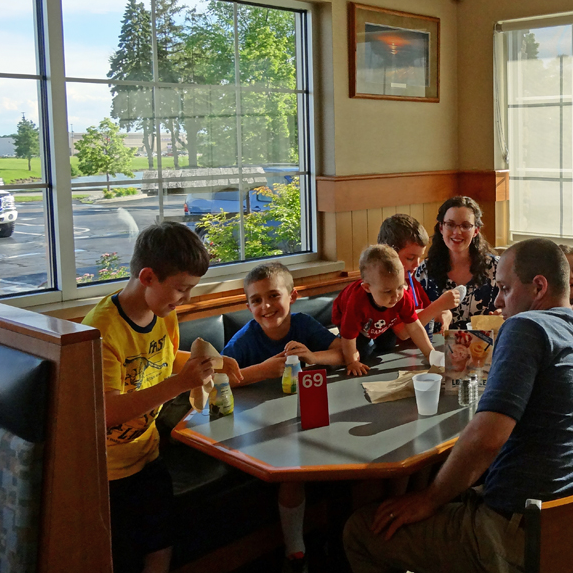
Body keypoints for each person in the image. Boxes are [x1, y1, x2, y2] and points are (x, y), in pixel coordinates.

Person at [343, 238, 573, 573]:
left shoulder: (525, 325)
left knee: (360, 530)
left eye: (504, 288)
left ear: (539, 287)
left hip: (526, 539)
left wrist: (428, 499)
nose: (499, 301)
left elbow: (487, 438)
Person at [82, 222, 243, 573]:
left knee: (161, 541)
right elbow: (106, 410)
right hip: (108, 472)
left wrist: (210, 360)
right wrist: (179, 384)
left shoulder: (162, 314)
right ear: (148, 277)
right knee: (122, 555)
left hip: (148, 454)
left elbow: (166, 360)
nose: (185, 299)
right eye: (181, 289)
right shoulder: (103, 331)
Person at [222, 262, 343, 573]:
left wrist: (314, 357)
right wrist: (262, 370)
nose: (266, 306)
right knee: (291, 467)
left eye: (274, 296)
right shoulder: (245, 341)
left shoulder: (303, 326)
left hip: (308, 414)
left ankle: (343, 536)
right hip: (261, 426)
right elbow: (218, 380)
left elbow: (343, 352)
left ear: (293, 296)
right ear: (248, 305)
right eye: (257, 300)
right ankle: (295, 548)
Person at [332, 244, 436, 376]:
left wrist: (430, 354)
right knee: (361, 351)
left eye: (400, 286)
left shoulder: (402, 296)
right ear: (367, 288)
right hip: (350, 322)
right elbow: (348, 337)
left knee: (387, 345)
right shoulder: (356, 303)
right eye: (387, 291)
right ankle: (333, 345)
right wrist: (351, 362)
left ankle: (374, 339)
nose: (395, 295)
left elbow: (414, 327)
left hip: (382, 320)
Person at [415, 196, 499, 329]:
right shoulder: (425, 270)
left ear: (476, 231)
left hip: (484, 346)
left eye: (465, 226)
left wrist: (503, 315)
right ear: (441, 228)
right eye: (450, 224)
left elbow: (514, 309)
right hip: (435, 347)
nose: (457, 232)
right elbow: (413, 321)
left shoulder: (497, 268)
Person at [377, 213, 461, 338]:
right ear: (389, 253)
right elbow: (403, 332)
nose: (417, 264)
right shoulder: (384, 291)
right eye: (410, 258)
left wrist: (445, 314)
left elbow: (426, 313)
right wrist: (439, 305)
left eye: (419, 257)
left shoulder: (413, 285)